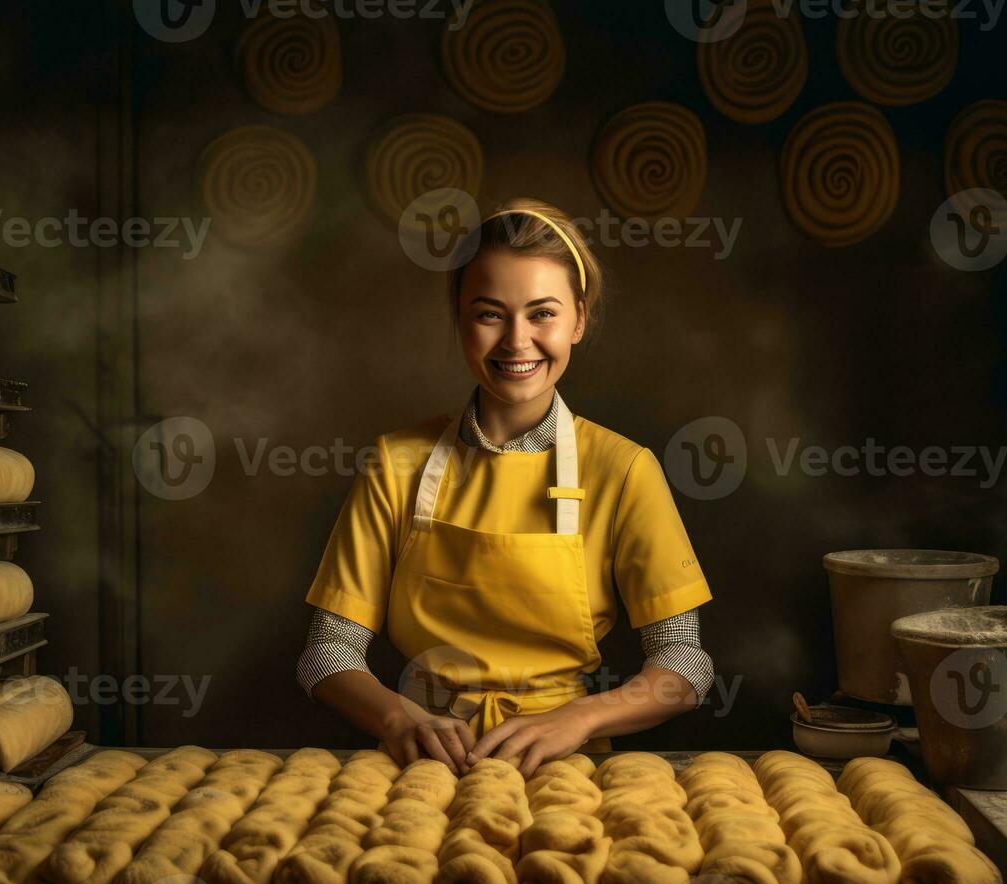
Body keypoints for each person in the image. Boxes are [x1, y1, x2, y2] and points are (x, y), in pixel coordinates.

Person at [297, 197, 713, 777]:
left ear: (579, 319)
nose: (517, 341)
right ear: (461, 319)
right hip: (420, 765)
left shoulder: (622, 469)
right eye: (490, 314)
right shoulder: (396, 464)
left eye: (542, 313)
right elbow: (326, 653)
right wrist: (397, 718)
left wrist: (581, 719)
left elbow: (685, 665)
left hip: (568, 769)